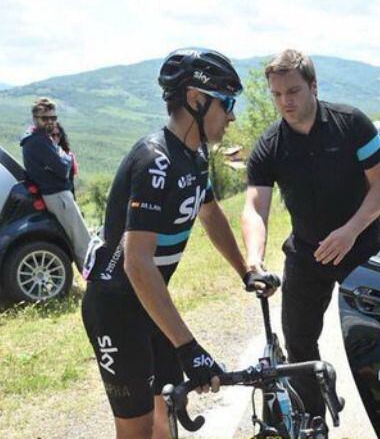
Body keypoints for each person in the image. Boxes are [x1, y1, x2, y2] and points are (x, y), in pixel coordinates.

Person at [82, 48, 260, 439]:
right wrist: (188, 346)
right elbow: (136, 263)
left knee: (166, 413)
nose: (231, 115)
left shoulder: (194, 156)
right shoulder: (155, 161)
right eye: (227, 103)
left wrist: (246, 270)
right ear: (197, 100)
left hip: (149, 302)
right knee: (138, 429)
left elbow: (210, 214)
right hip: (115, 307)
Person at [241, 49, 380, 425]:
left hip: (361, 246)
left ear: (313, 85)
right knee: (297, 342)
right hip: (307, 253)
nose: (284, 102)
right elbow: (254, 208)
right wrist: (254, 258)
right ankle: (311, 421)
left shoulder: (352, 123)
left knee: (376, 339)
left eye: (292, 91)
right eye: (276, 95)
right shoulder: (270, 144)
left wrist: (350, 231)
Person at [20, 98, 91, 269]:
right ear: (35, 119)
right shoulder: (38, 141)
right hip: (58, 195)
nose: (50, 122)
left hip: (55, 194)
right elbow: (63, 168)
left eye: (53, 118)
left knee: (77, 238)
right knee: (82, 242)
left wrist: (59, 154)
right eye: (45, 118)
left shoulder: (38, 139)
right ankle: (95, 280)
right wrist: (63, 154)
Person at [50, 122, 78, 197]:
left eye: (58, 135)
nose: (56, 138)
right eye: (52, 135)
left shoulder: (68, 156)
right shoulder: (44, 155)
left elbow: (70, 182)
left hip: (66, 195)